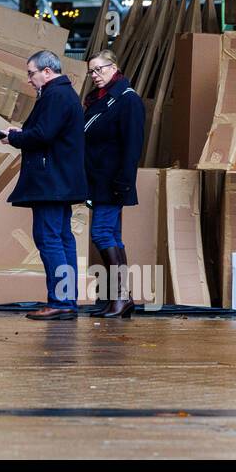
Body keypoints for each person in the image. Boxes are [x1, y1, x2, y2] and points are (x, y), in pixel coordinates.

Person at [2, 49, 88, 320]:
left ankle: (61, 301)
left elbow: (43, 134)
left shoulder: (55, 95)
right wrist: (20, 135)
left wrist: (15, 138)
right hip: (60, 180)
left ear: (47, 72)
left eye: (31, 73)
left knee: (49, 238)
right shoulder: (64, 94)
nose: (29, 79)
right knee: (62, 239)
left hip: (51, 181)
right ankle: (66, 300)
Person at [83, 49, 146, 318]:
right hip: (98, 180)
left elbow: (133, 146)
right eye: (92, 71)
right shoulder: (100, 101)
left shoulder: (127, 100)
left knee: (101, 233)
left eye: (100, 69)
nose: (95, 75)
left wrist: (124, 182)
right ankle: (121, 299)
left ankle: (121, 297)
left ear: (114, 67)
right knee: (112, 236)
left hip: (112, 181)